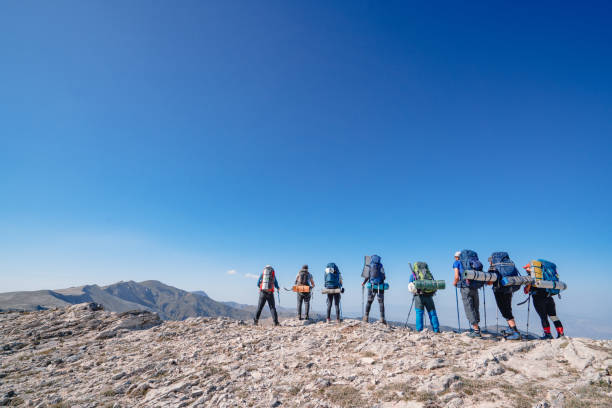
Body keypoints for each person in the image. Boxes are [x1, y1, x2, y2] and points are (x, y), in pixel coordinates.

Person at [523, 263, 565, 339]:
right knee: (554, 317)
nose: (525, 269)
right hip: (549, 298)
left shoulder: (530, 277)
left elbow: (526, 291)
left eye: (527, 268)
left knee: (543, 317)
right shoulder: (544, 277)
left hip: (538, 299)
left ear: (532, 268)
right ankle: (561, 333)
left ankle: (548, 335)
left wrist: (528, 284)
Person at [488, 256, 521, 340]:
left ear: (492, 261)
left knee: (505, 311)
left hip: (499, 291)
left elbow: (490, 282)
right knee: (508, 308)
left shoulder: (493, 268)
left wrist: (486, 282)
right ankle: (511, 328)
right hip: (509, 289)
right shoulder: (509, 266)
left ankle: (515, 332)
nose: (489, 263)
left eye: (489, 261)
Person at [453, 251, 482, 338]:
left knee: (469, 308)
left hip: (465, 287)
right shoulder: (471, 262)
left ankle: (476, 331)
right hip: (475, 286)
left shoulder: (456, 263)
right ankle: (477, 327)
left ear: (456, 257)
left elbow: (456, 276)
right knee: (475, 307)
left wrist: (455, 283)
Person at [408, 262, 440, 333]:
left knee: (419, 313)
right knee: (432, 313)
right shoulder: (429, 274)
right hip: (429, 296)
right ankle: (436, 330)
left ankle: (419, 330)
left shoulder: (414, 275)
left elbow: (410, 286)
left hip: (418, 296)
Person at [362, 254, 386, 324]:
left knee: (369, 302)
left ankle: (366, 317)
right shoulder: (381, 266)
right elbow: (384, 277)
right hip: (380, 286)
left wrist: (363, 283)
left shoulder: (370, 265)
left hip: (371, 286)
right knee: (381, 302)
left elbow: (367, 276)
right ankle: (382, 319)